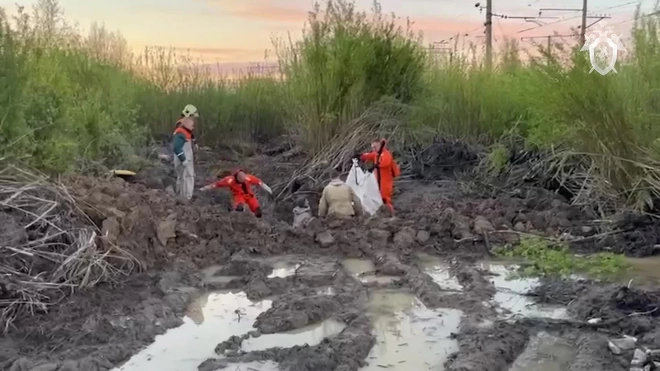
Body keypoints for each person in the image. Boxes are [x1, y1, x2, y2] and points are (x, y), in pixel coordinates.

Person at [199, 169, 273, 218]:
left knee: (257, 211)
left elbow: (259, 182)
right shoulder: (229, 181)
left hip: (250, 195)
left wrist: (269, 189)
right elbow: (216, 184)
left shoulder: (248, 178)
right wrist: (204, 189)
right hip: (239, 195)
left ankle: (257, 221)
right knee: (239, 208)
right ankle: (239, 218)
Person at [357, 139, 400, 215]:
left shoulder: (386, 154)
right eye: (372, 147)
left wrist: (375, 166)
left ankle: (392, 213)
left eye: (375, 147)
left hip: (385, 181)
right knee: (379, 196)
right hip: (379, 180)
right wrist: (361, 156)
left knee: (385, 198)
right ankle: (384, 212)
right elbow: (369, 155)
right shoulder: (377, 154)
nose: (373, 149)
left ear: (380, 146)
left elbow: (385, 163)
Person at [172, 115, 196, 200]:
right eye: (192, 124)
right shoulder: (181, 133)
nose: (193, 126)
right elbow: (176, 147)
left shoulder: (186, 133)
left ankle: (181, 196)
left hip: (186, 160)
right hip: (184, 161)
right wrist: (183, 159)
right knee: (186, 178)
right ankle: (185, 198)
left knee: (183, 178)